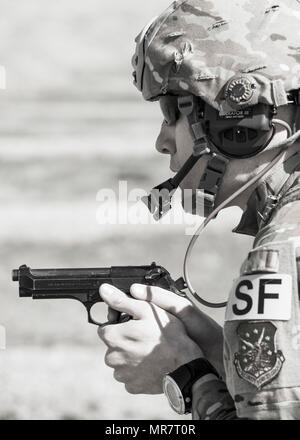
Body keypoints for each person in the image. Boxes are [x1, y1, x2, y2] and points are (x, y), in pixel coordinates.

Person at [98, 0, 300, 419]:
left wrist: (186, 376)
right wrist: (217, 349)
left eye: (173, 113)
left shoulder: (280, 255)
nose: (162, 142)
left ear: (239, 129)